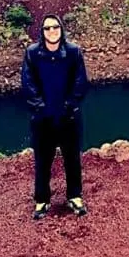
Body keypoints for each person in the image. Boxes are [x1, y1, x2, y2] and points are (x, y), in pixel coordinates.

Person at [20, 13, 90, 219]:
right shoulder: (32, 53)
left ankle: (74, 196)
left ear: (61, 29)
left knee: (72, 159)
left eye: (55, 27)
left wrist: (69, 106)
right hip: (43, 119)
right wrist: (40, 108)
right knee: (42, 160)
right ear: (42, 32)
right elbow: (28, 83)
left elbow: (81, 82)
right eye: (47, 28)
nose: (52, 31)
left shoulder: (73, 52)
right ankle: (42, 200)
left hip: (68, 117)